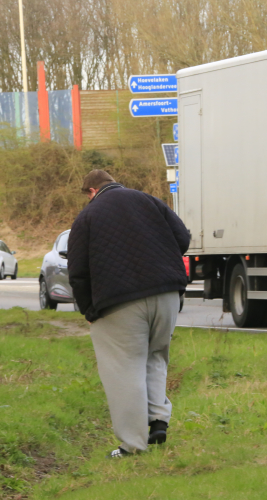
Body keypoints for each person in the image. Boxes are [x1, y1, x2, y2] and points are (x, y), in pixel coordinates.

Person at [67, 170, 191, 458]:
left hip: (119, 302)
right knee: (156, 355)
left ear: (90, 191)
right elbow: (182, 239)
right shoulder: (149, 201)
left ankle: (132, 445)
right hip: (167, 294)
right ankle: (158, 420)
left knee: (124, 369)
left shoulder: (87, 217)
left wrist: (89, 309)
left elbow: (78, 271)